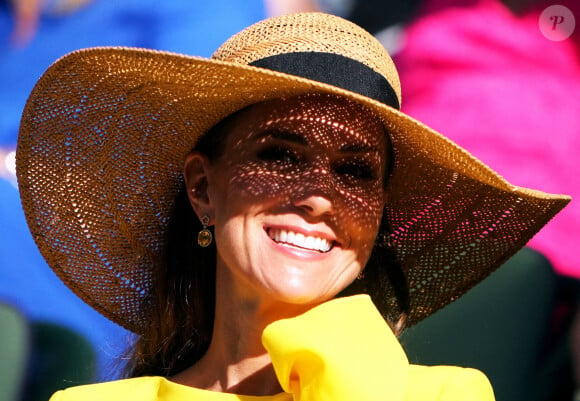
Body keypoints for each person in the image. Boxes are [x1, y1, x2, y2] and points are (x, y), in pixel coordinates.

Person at [15, 12, 569, 401]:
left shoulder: (445, 395)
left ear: (377, 217)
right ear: (203, 188)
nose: (318, 196)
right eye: (280, 155)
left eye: (355, 171)